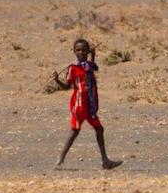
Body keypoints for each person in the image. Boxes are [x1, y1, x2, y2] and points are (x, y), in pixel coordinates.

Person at [52, 39, 122, 170]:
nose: (81, 52)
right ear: (74, 51)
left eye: (84, 50)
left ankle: (105, 161)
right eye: (78, 50)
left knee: (99, 129)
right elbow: (67, 86)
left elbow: (93, 67)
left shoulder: (88, 65)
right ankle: (60, 160)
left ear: (87, 51)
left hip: (90, 105)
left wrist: (93, 55)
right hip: (79, 105)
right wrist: (57, 80)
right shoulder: (72, 68)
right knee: (75, 131)